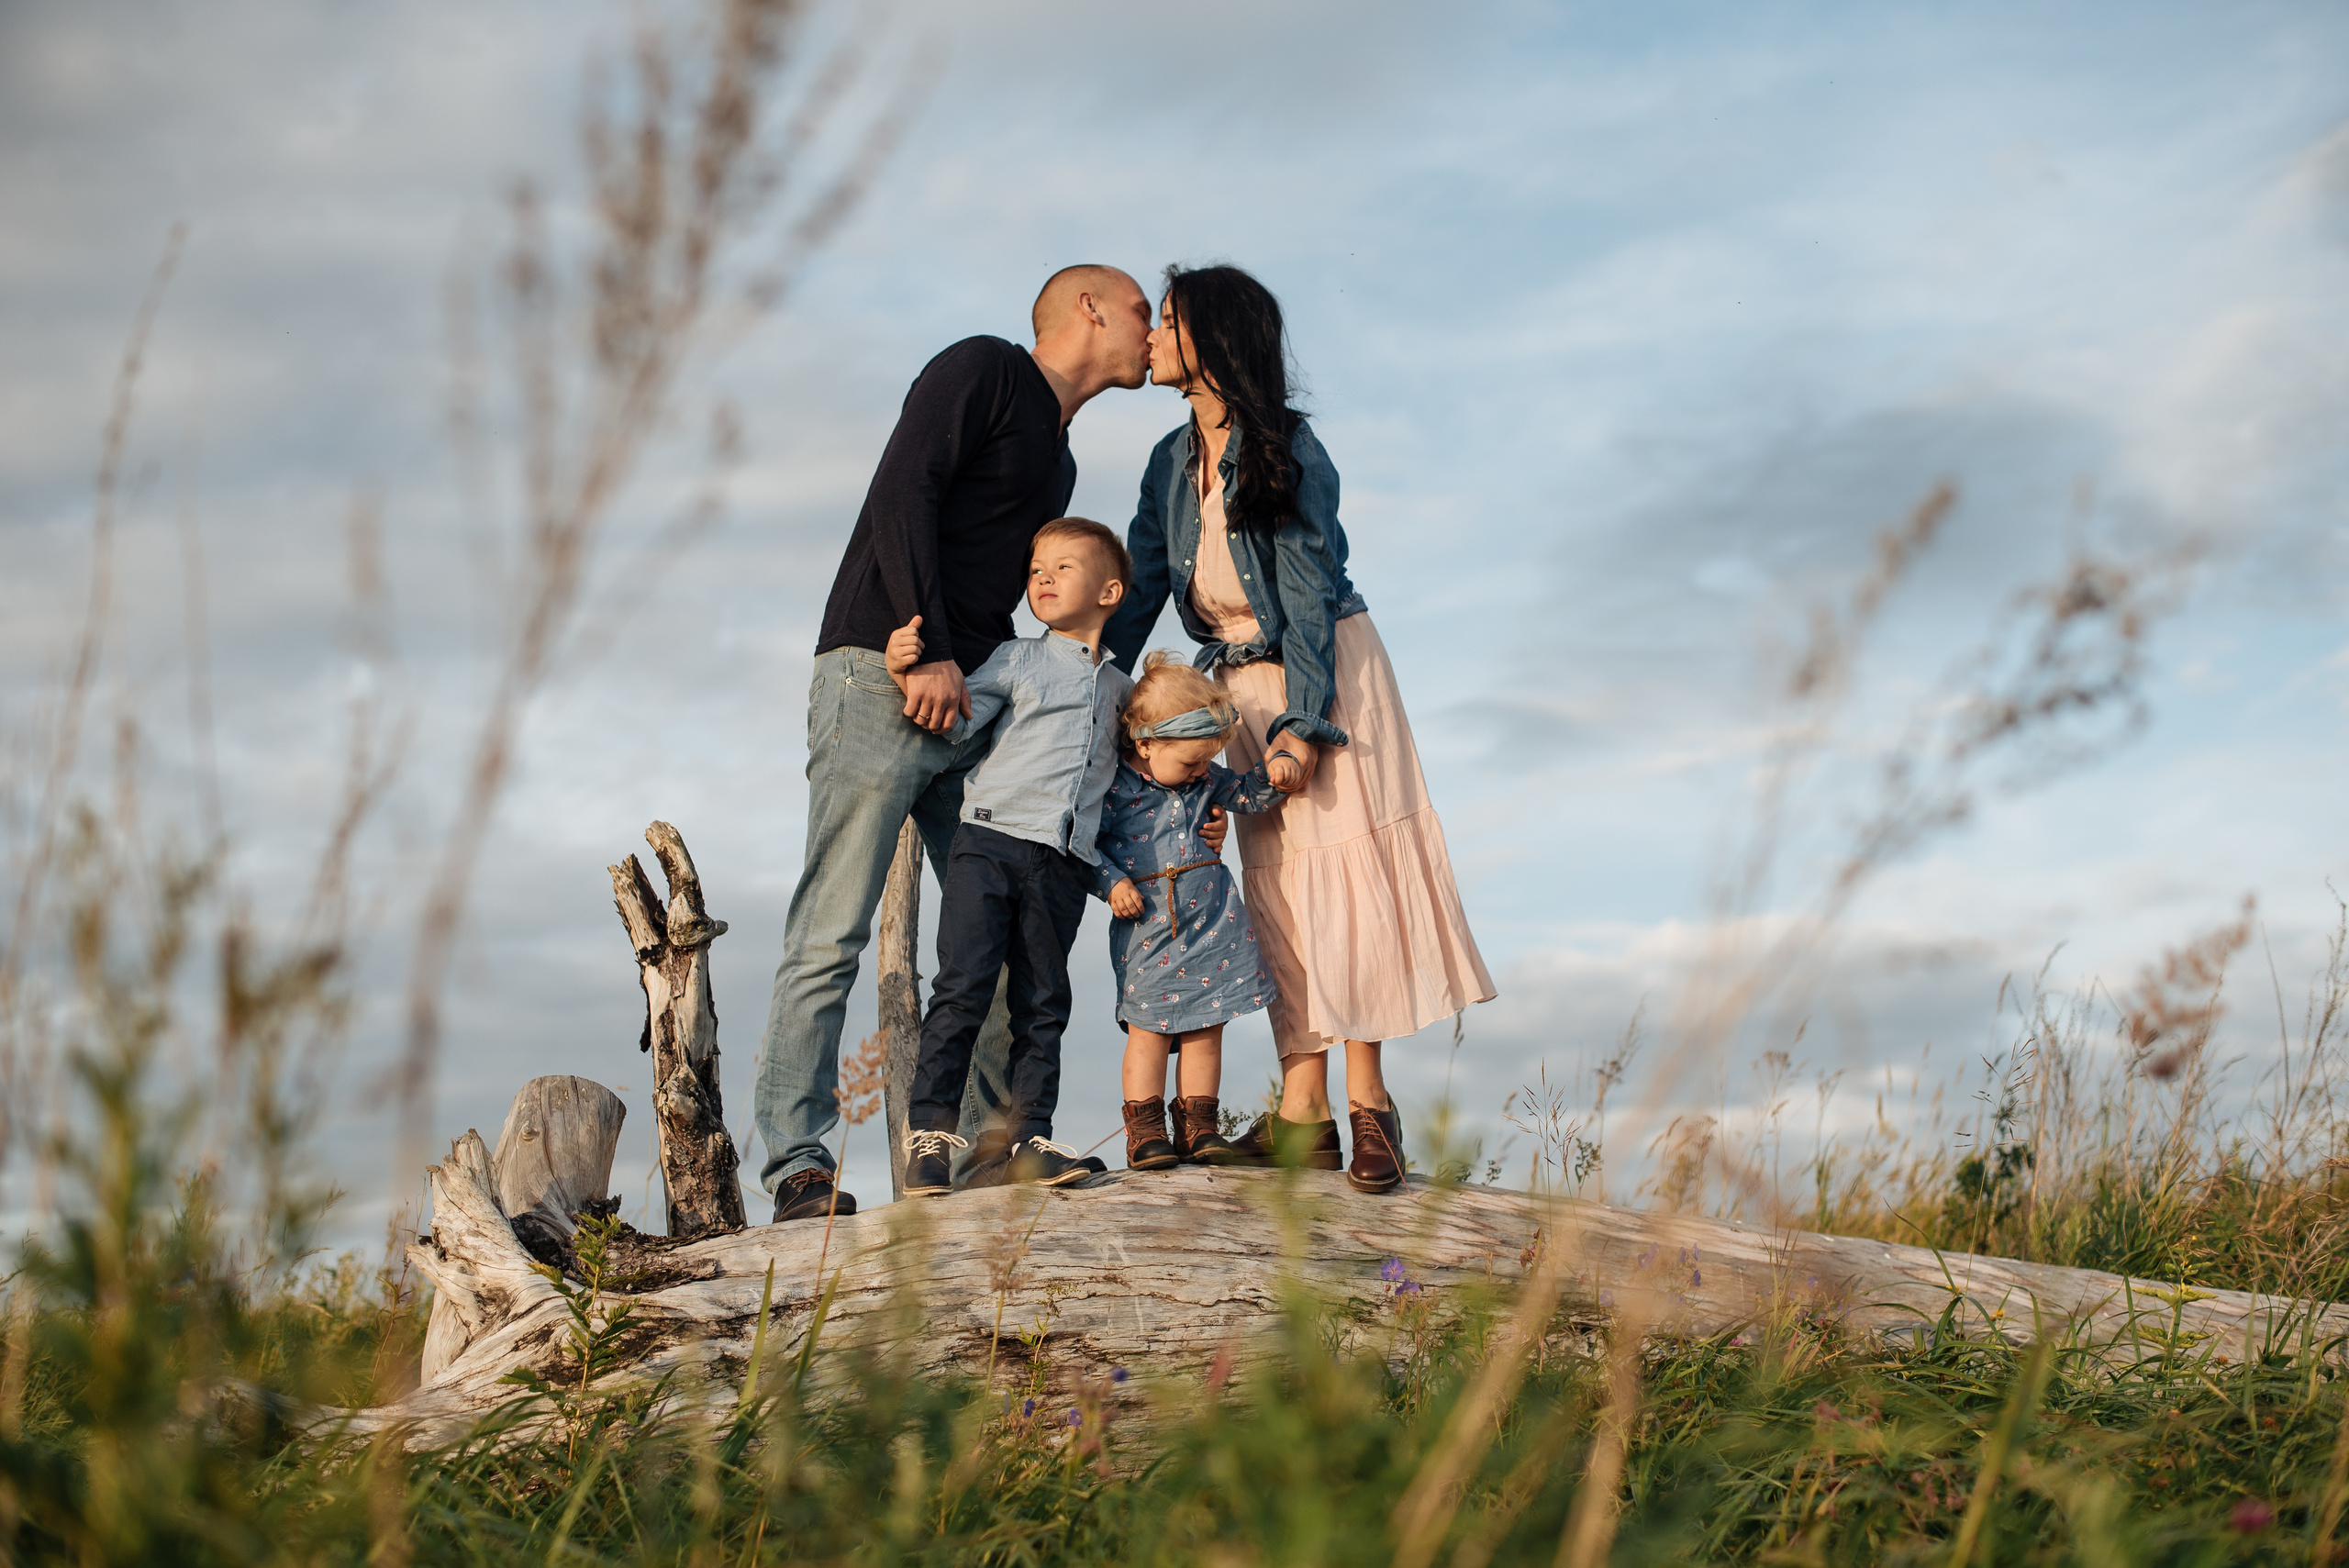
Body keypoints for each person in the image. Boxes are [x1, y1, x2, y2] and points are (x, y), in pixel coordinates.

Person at [756, 265, 1186, 1223]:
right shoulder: (982, 369)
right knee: (831, 929)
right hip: (887, 671)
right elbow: (902, 490)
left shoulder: (1060, 465)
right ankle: (797, 1159)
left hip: (972, 700)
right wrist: (926, 648)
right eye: (1138, 312)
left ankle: (998, 1144)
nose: (1149, 330)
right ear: (1086, 309)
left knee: (997, 919)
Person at [1103, 263, 1497, 1195]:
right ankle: (1301, 1113)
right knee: (1277, 894)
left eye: (1166, 321)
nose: (1152, 336)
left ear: (1212, 337)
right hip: (1232, 689)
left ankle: (1369, 1109)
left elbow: (1312, 591)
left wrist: (1306, 724)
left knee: (1344, 880)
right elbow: (1147, 585)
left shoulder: (1284, 445)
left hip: (1323, 677)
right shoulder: (1170, 460)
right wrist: (1085, 678)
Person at [883, 518, 1135, 1195]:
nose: (1043, 578)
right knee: (962, 986)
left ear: (1110, 591)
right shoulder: (1016, 658)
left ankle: (1029, 1138)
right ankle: (930, 1135)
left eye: (1063, 567)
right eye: (1036, 569)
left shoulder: (1121, 691)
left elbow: (1137, 778)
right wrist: (903, 665)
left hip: (1064, 863)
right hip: (990, 842)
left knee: (1044, 1001)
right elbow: (950, 714)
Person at [1095, 654, 1299, 1171]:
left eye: (1207, 761)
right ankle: (1145, 1134)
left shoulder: (1205, 781)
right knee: (1150, 1030)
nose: (1202, 771)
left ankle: (1200, 1129)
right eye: (1189, 762)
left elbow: (1248, 795)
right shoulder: (1113, 788)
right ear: (1145, 744)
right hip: (1150, 926)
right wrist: (1111, 881)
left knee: (1207, 1027)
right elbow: (1083, 844)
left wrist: (1276, 772)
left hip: (1213, 921)